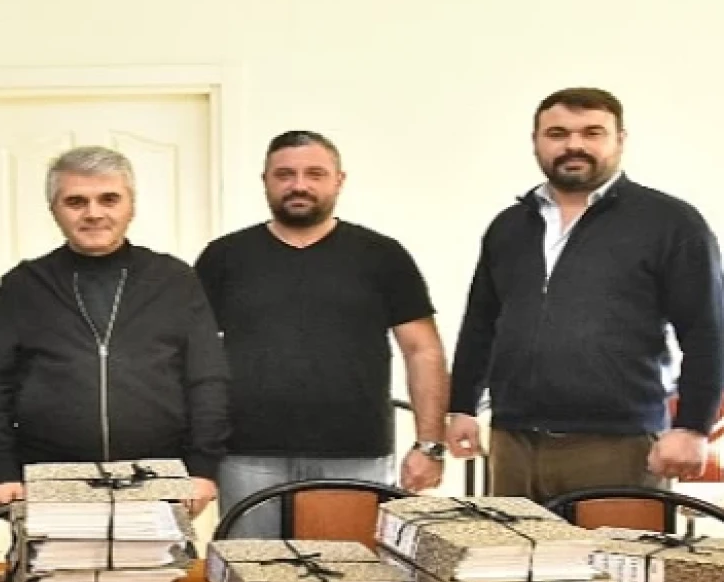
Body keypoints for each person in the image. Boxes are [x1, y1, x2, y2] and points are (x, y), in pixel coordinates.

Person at [447, 87, 724, 502]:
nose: (573, 145)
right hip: (512, 443)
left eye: (592, 133)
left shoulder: (671, 223)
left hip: (619, 446)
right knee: (511, 548)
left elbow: (708, 331)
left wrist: (692, 427)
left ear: (620, 140)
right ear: (536, 142)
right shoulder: (509, 227)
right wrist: (462, 407)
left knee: (616, 549)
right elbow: (481, 325)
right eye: (557, 133)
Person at [195, 130, 449, 538]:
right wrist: (197, 455)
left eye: (315, 174)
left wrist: (429, 445)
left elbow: (423, 351)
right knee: (250, 571)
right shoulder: (224, 257)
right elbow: (193, 355)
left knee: (350, 573)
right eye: (285, 174)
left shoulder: (382, 256)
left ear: (339, 180)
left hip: (355, 453)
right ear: (265, 181)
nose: (299, 185)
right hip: (246, 454)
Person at [0, 145, 230, 516]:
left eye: (109, 199)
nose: (93, 213)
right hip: (47, 477)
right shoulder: (24, 285)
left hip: (158, 474)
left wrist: (203, 467)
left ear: (131, 205)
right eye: (76, 201)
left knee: (156, 558)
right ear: (54, 209)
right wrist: (0, 469)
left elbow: (207, 377)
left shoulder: (174, 279)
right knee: (52, 559)